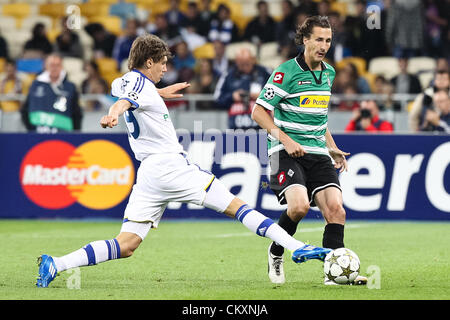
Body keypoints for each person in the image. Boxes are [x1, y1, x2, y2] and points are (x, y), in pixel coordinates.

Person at [36, 34, 331, 288]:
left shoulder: (129, 81)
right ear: (148, 61)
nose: (166, 67)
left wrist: (158, 92)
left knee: (127, 244)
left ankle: (56, 264)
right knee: (238, 207)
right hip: (171, 167)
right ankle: (296, 247)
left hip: (149, 175)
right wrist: (114, 113)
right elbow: (123, 101)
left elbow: (125, 91)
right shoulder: (137, 89)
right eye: (162, 62)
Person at [251, 15, 367, 286]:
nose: (324, 45)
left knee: (336, 210)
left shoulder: (329, 72)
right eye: (318, 39)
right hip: (284, 150)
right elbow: (258, 112)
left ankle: (333, 273)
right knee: (300, 207)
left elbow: (318, 117)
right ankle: (277, 251)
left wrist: (332, 147)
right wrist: (287, 140)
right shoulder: (285, 72)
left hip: (317, 151)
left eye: (328, 40)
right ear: (305, 40)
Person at [20, 54, 82, 133]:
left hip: (64, 135)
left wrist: (75, 133)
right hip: (38, 134)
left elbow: (76, 113)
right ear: (45, 66)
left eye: (57, 65)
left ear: (62, 67)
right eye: (52, 65)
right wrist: (31, 130)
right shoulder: (35, 85)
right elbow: (25, 110)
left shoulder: (70, 87)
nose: (54, 68)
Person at [214, 47, 271, 130]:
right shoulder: (228, 75)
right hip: (236, 127)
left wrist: (262, 96)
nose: (245, 67)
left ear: (253, 60)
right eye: (241, 64)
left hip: (262, 127)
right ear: (236, 62)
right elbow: (217, 99)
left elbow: (280, 94)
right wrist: (232, 96)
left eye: (247, 63)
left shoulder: (265, 72)